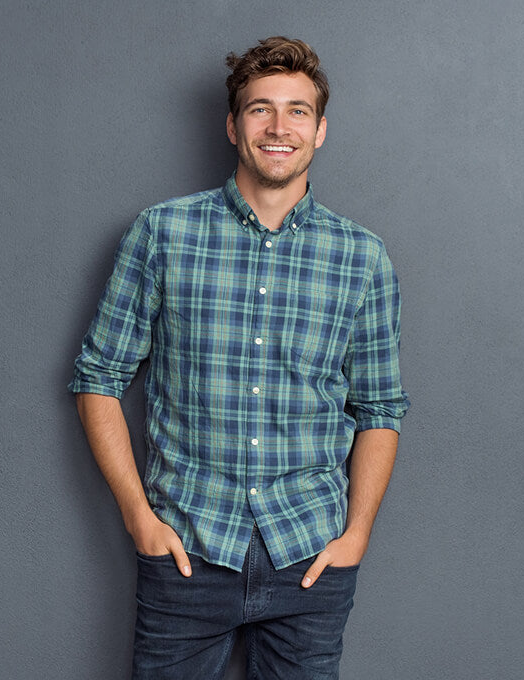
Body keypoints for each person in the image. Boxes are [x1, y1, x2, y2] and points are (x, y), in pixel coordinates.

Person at [68, 36, 410, 679]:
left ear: (321, 129)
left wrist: (356, 532)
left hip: (309, 558)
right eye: (260, 109)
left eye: (298, 110)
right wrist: (139, 518)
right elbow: (98, 376)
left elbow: (380, 407)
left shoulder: (363, 258)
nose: (279, 127)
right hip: (188, 553)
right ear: (233, 125)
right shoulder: (162, 234)